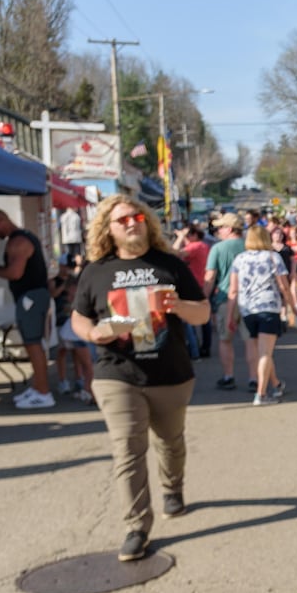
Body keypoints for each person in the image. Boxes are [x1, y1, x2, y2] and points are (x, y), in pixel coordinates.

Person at [70, 195, 210, 562]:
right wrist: (93, 333)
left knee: (171, 441)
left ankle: (173, 488)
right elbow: (78, 318)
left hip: (171, 373)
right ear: (108, 229)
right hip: (117, 373)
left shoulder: (170, 265)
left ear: (147, 221)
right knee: (128, 450)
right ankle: (136, 526)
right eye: (122, 220)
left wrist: (178, 305)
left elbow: (203, 314)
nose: (131, 223)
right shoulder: (96, 270)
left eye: (137, 216)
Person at [0, 208, 55, 409]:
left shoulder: (18, 242)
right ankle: (38, 387)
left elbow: (15, 273)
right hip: (32, 296)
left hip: (30, 298)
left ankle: (44, 392)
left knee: (33, 343)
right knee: (32, 343)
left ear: (0, 220)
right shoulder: (22, 238)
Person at [227, 224, 297, 406]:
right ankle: (261, 393)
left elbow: (233, 290)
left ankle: (275, 383)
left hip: (248, 309)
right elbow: (283, 286)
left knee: (261, 352)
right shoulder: (272, 258)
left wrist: (230, 315)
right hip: (268, 307)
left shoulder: (239, 259)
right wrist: (294, 308)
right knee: (266, 353)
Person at [205, 213, 246, 389]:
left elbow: (210, 277)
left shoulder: (218, 249)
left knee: (225, 339)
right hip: (249, 300)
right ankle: (254, 377)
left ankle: (229, 376)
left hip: (224, 299)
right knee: (251, 341)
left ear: (229, 229)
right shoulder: (249, 246)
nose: (218, 231)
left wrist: (203, 299)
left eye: (220, 227)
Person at [50, 259, 94, 403]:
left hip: (78, 329)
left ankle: (88, 391)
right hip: (72, 328)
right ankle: (87, 390)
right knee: (86, 362)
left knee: (87, 363)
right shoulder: (69, 283)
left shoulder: (81, 285)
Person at [174, 222, 212, 358]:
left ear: (195, 235)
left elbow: (174, 254)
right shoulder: (204, 245)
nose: (186, 238)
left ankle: (194, 350)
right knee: (205, 318)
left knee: (189, 320)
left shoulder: (194, 247)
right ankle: (205, 347)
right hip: (203, 282)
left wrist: (180, 238)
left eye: (188, 235)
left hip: (194, 284)